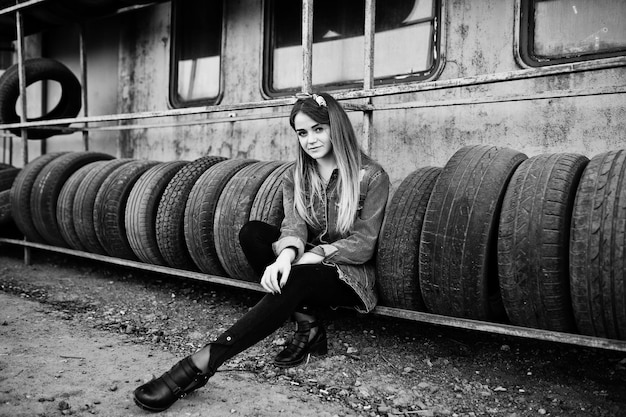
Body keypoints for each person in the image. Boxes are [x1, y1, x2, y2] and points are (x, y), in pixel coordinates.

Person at [133, 92, 390, 412]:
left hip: (347, 272)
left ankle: (203, 361)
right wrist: (285, 257)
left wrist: (313, 256)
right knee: (253, 233)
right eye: (302, 132)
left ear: (335, 126)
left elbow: (365, 243)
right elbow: (293, 227)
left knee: (300, 275)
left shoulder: (371, 176)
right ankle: (308, 324)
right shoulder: (297, 175)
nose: (310, 140)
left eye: (318, 129)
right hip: (307, 260)